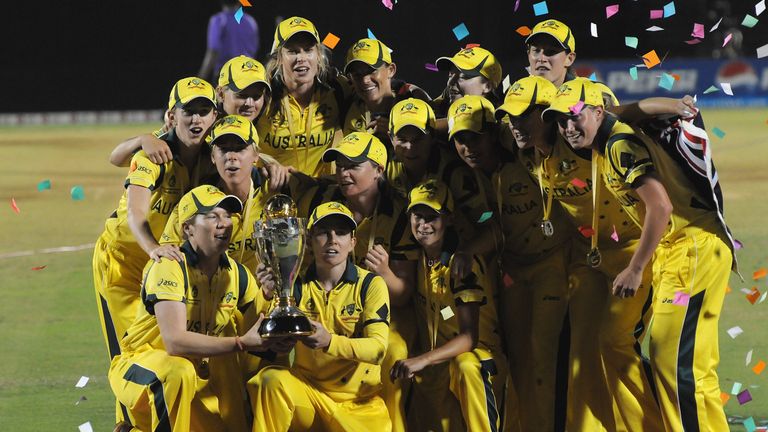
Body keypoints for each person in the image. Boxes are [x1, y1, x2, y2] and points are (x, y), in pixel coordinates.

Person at [543, 78, 737, 432]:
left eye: (574, 117)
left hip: (692, 250)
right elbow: (629, 109)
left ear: (598, 111)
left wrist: (635, 268)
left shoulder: (617, 145)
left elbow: (659, 206)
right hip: (678, 253)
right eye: (560, 121)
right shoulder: (608, 130)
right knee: (665, 357)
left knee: (680, 364)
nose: (569, 128)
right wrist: (671, 104)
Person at [498, 76, 663, 431]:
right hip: (588, 260)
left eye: (524, 116)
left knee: (614, 343)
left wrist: (675, 104)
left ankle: (652, 425)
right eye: (510, 117)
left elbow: (620, 113)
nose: (515, 125)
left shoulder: (581, 136)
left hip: (635, 253)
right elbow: (467, 124)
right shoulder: (522, 144)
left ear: (544, 114)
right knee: (582, 355)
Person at [448, 94, 573, 432]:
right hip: (513, 272)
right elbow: (497, 226)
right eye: (460, 139)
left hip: (551, 264)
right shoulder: (466, 179)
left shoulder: (526, 158)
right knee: (518, 362)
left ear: (494, 133)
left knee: (542, 358)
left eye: (475, 137)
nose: (468, 146)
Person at [108, 188, 273, 432]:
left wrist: (268, 295)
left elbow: (253, 324)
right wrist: (240, 342)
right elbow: (175, 342)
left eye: (227, 215)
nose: (224, 224)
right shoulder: (170, 266)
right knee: (178, 371)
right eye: (212, 216)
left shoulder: (236, 274)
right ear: (188, 229)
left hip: (194, 376)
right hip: (140, 368)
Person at [248, 201, 392, 431]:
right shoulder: (295, 285)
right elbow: (256, 346)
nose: (333, 239)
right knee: (271, 380)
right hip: (310, 395)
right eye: (323, 232)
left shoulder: (370, 284)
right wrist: (266, 295)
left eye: (342, 232)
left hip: (358, 405)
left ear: (353, 242)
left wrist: (330, 342)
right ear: (308, 241)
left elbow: (378, 350)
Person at [315, 132, 418, 431]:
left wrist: (385, 273)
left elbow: (403, 294)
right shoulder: (324, 200)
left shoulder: (399, 213)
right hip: (331, 309)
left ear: (379, 170)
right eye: (339, 166)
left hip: (384, 317)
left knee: (394, 352)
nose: (343, 173)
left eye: (354, 166)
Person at [391, 179, 507, 432]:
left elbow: (469, 338)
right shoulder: (416, 261)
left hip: (479, 359)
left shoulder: (462, 264)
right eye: (417, 216)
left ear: (449, 219)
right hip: (437, 364)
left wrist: (422, 359)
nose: (423, 225)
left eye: (432, 217)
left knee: (466, 366)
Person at [110, 55, 271, 169]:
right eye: (242, 95)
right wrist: (143, 139)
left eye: (256, 96)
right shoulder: (203, 124)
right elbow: (116, 158)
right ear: (220, 94)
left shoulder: (269, 118)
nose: (250, 103)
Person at [259, 16, 352, 177]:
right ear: (279, 58)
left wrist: (407, 90)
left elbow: (371, 88)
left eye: (308, 50)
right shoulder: (262, 95)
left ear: (318, 54)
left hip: (320, 196)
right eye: (293, 51)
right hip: (273, 196)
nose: (301, 58)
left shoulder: (337, 89)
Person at [342, 38, 430, 147]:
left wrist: (398, 133)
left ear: (391, 70)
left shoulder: (416, 103)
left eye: (371, 71)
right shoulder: (344, 104)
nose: (365, 80)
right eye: (357, 74)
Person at [198, 0, 260, 84]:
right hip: (247, 74)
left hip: (226, 76)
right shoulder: (251, 21)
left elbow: (213, 52)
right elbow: (255, 50)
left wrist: (200, 79)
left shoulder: (218, 20)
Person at [432, 46, 503, 117]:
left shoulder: (505, 123)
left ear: (487, 86)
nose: (450, 82)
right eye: (450, 75)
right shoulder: (445, 100)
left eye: (462, 77)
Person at [525, 19, 577, 88]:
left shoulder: (586, 96)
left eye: (551, 51)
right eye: (537, 51)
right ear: (528, 55)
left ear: (569, 59)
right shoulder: (514, 95)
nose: (541, 58)